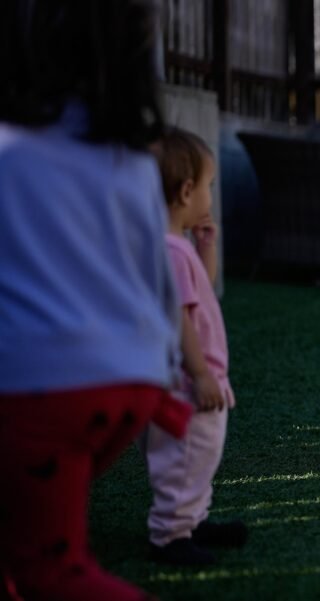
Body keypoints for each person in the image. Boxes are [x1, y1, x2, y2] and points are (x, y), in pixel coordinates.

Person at [0, 1, 191, 599]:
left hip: (44, 388)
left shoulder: (10, 149)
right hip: (130, 384)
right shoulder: (128, 159)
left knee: (54, 572)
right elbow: (158, 278)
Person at [143, 128, 247, 566]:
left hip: (194, 379)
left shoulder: (176, 247)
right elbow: (179, 316)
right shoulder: (170, 251)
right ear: (186, 192)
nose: (209, 196)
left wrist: (206, 247)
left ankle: (192, 521)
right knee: (185, 458)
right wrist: (201, 373)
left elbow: (200, 286)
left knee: (200, 457)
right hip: (188, 384)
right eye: (208, 186)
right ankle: (170, 535)